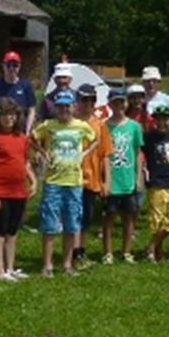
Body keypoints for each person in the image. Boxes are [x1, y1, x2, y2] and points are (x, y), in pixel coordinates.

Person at [31, 89, 98, 276]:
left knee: (72, 225)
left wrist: (84, 154)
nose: (64, 109)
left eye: (67, 106)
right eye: (60, 106)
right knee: (50, 226)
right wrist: (43, 152)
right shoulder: (48, 125)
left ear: (73, 107)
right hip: (53, 181)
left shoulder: (81, 126)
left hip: (74, 182)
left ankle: (67, 264)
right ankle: (47, 265)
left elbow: (95, 140)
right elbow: (32, 138)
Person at [0, 98, 37, 281]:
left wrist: (33, 180)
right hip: (1, 191)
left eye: (12, 115)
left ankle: (10, 267)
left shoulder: (22, 138)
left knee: (12, 231)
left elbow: (25, 162)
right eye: (5, 115)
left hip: (18, 192)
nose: (9, 119)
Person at [102, 88, 144, 264]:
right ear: (110, 104)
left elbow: (138, 152)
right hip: (112, 179)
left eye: (122, 102)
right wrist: (104, 180)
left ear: (125, 103)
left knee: (129, 217)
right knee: (108, 219)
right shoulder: (104, 126)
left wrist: (138, 176)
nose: (118, 106)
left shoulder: (134, 126)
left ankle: (126, 251)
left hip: (128, 178)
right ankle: (108, 252)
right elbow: (102, 154)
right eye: (115, 102)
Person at [74, 83, 112, 268]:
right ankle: (74, 253)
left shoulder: (99, 126)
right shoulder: (70, 123)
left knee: (86, 219)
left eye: (92, 100)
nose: (88, 103)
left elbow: (105, 155)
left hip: (92, 179)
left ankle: (80, 251)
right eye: (84, 99)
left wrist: (107, 181)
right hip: (71, 178)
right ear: (77, 101)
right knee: (74, 218)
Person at [142, 103, 169, 262]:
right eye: (158, 119)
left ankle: (150, 247)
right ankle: (158, 254)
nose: (162, 123)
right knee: (157, 221)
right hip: (156, 183)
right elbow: (141, 154)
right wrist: (144, 169)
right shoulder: (149, 137)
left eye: (166, 119)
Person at [0, 51, 37, 133]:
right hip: (0, 130)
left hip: (20, 131)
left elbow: (31, 109)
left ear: (19, 67)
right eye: (8, 65)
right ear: (3, 66)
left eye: (15, 65)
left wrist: (28, 130)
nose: (11, 68)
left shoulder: (26, 85)